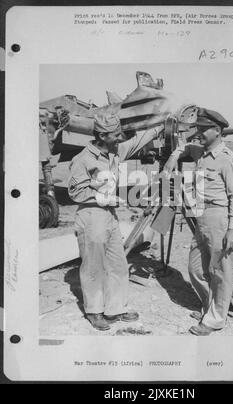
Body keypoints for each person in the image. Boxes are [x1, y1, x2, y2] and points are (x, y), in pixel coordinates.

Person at [68, 112, 163, 331]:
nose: (120, 136)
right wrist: (104, 197)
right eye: (115, 133)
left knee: (118, 263)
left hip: (109, 216)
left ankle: (116, 308)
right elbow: (75, 192)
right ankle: (94, 311)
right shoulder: (84, 159)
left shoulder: (114, 151)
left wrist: (160, 127)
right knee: (93, 266)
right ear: (101, 135)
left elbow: (136, 141)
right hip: (92, 216)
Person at [163, 108, 233, 336]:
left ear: (217, 131)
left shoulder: (228, 159)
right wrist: (173, 157)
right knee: (196, 268)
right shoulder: (201, 152)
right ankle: (209, 307)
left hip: (219, 217)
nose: (197, 132)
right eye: (197, 127)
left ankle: (215, 320)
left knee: (220, 271)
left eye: (202, 129)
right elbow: (184, 147)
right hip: (201, 216)